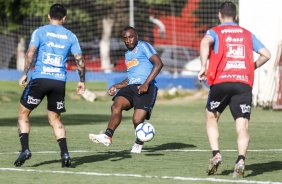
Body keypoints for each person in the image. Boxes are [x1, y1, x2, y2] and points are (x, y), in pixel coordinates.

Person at [198, 1, 271, 178]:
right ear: (236, 17)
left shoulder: (215, 31)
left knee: (211, 117)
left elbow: (204, 42)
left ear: (219, 15)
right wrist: (250, 68)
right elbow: (267, 54)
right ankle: (240, 159)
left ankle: (216, 153)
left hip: (221, 81)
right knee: (242, 124)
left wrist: (203, 66)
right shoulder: (247, 34)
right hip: (243, 83)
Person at [14, 3, 85, 168]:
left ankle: (25, 149)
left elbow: (30, 53)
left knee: (23, 114)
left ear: (48, 16)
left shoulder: (40, 31)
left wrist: (25, 73)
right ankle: (65, 153)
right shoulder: (70, 36)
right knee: (55, 119)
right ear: (64, 18)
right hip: (59, 81)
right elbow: (79, 60)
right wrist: (82, 80)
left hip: (40, 79)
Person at [89, 26, 163, 153]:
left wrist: (146, 83)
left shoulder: (144, 46)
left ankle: (139, 142)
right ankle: (108, 136)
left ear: (136, 37)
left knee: (137, 120)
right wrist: (116, 86)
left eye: (131, 37)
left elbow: (159, 63)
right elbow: (131, 78)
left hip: (147, 87)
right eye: (125, 38)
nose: (128, 40)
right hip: (131, 87)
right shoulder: (127, 54)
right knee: (116, 105)